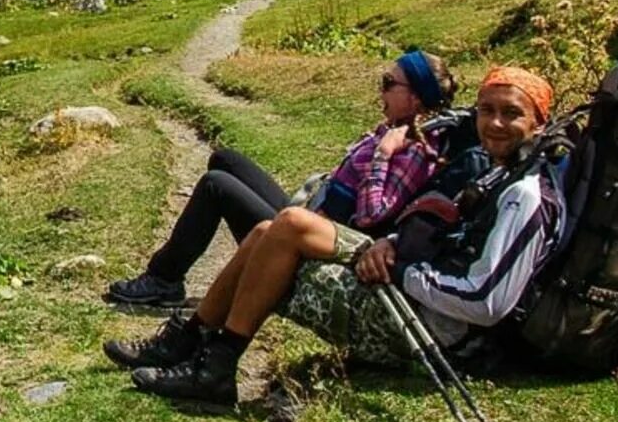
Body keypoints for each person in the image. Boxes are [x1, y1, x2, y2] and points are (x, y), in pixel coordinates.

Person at [108, 66, 562, 405]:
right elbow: (443, 236)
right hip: (406, 281)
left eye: (511, 114)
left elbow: (486, 300)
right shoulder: (497, 173)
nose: (495, 123)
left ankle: (206, 356)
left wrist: (400, 264)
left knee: (282, 225)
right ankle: (198, 349)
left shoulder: (522, 193)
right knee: (269, 226)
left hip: (434, 329)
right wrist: (397, 245)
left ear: (540, 122)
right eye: (487, 111)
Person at [108, 49, 463, 307]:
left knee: (216, 185)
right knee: (225, 159)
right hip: (312, 219)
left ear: (415, 97)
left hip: (316, 245)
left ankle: (163, 279)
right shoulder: (397, 130)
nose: (380, 90)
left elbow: (373, 217)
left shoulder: (414, 149)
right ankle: (167, 277)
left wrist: (382, 155)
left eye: (389, 83)